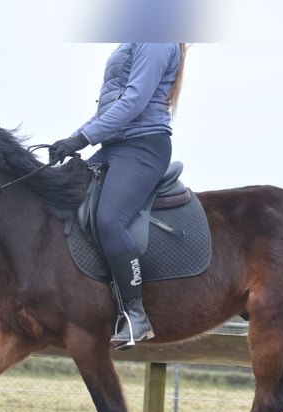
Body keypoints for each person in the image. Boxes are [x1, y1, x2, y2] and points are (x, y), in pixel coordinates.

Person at [49, 43, 187, 348]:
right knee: (61, 195)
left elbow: (135, 101)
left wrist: (83, 138)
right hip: (114, 145)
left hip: (143, 147)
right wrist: (73, 138)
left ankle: (136, 316)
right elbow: (111, 107)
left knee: (111, 220)